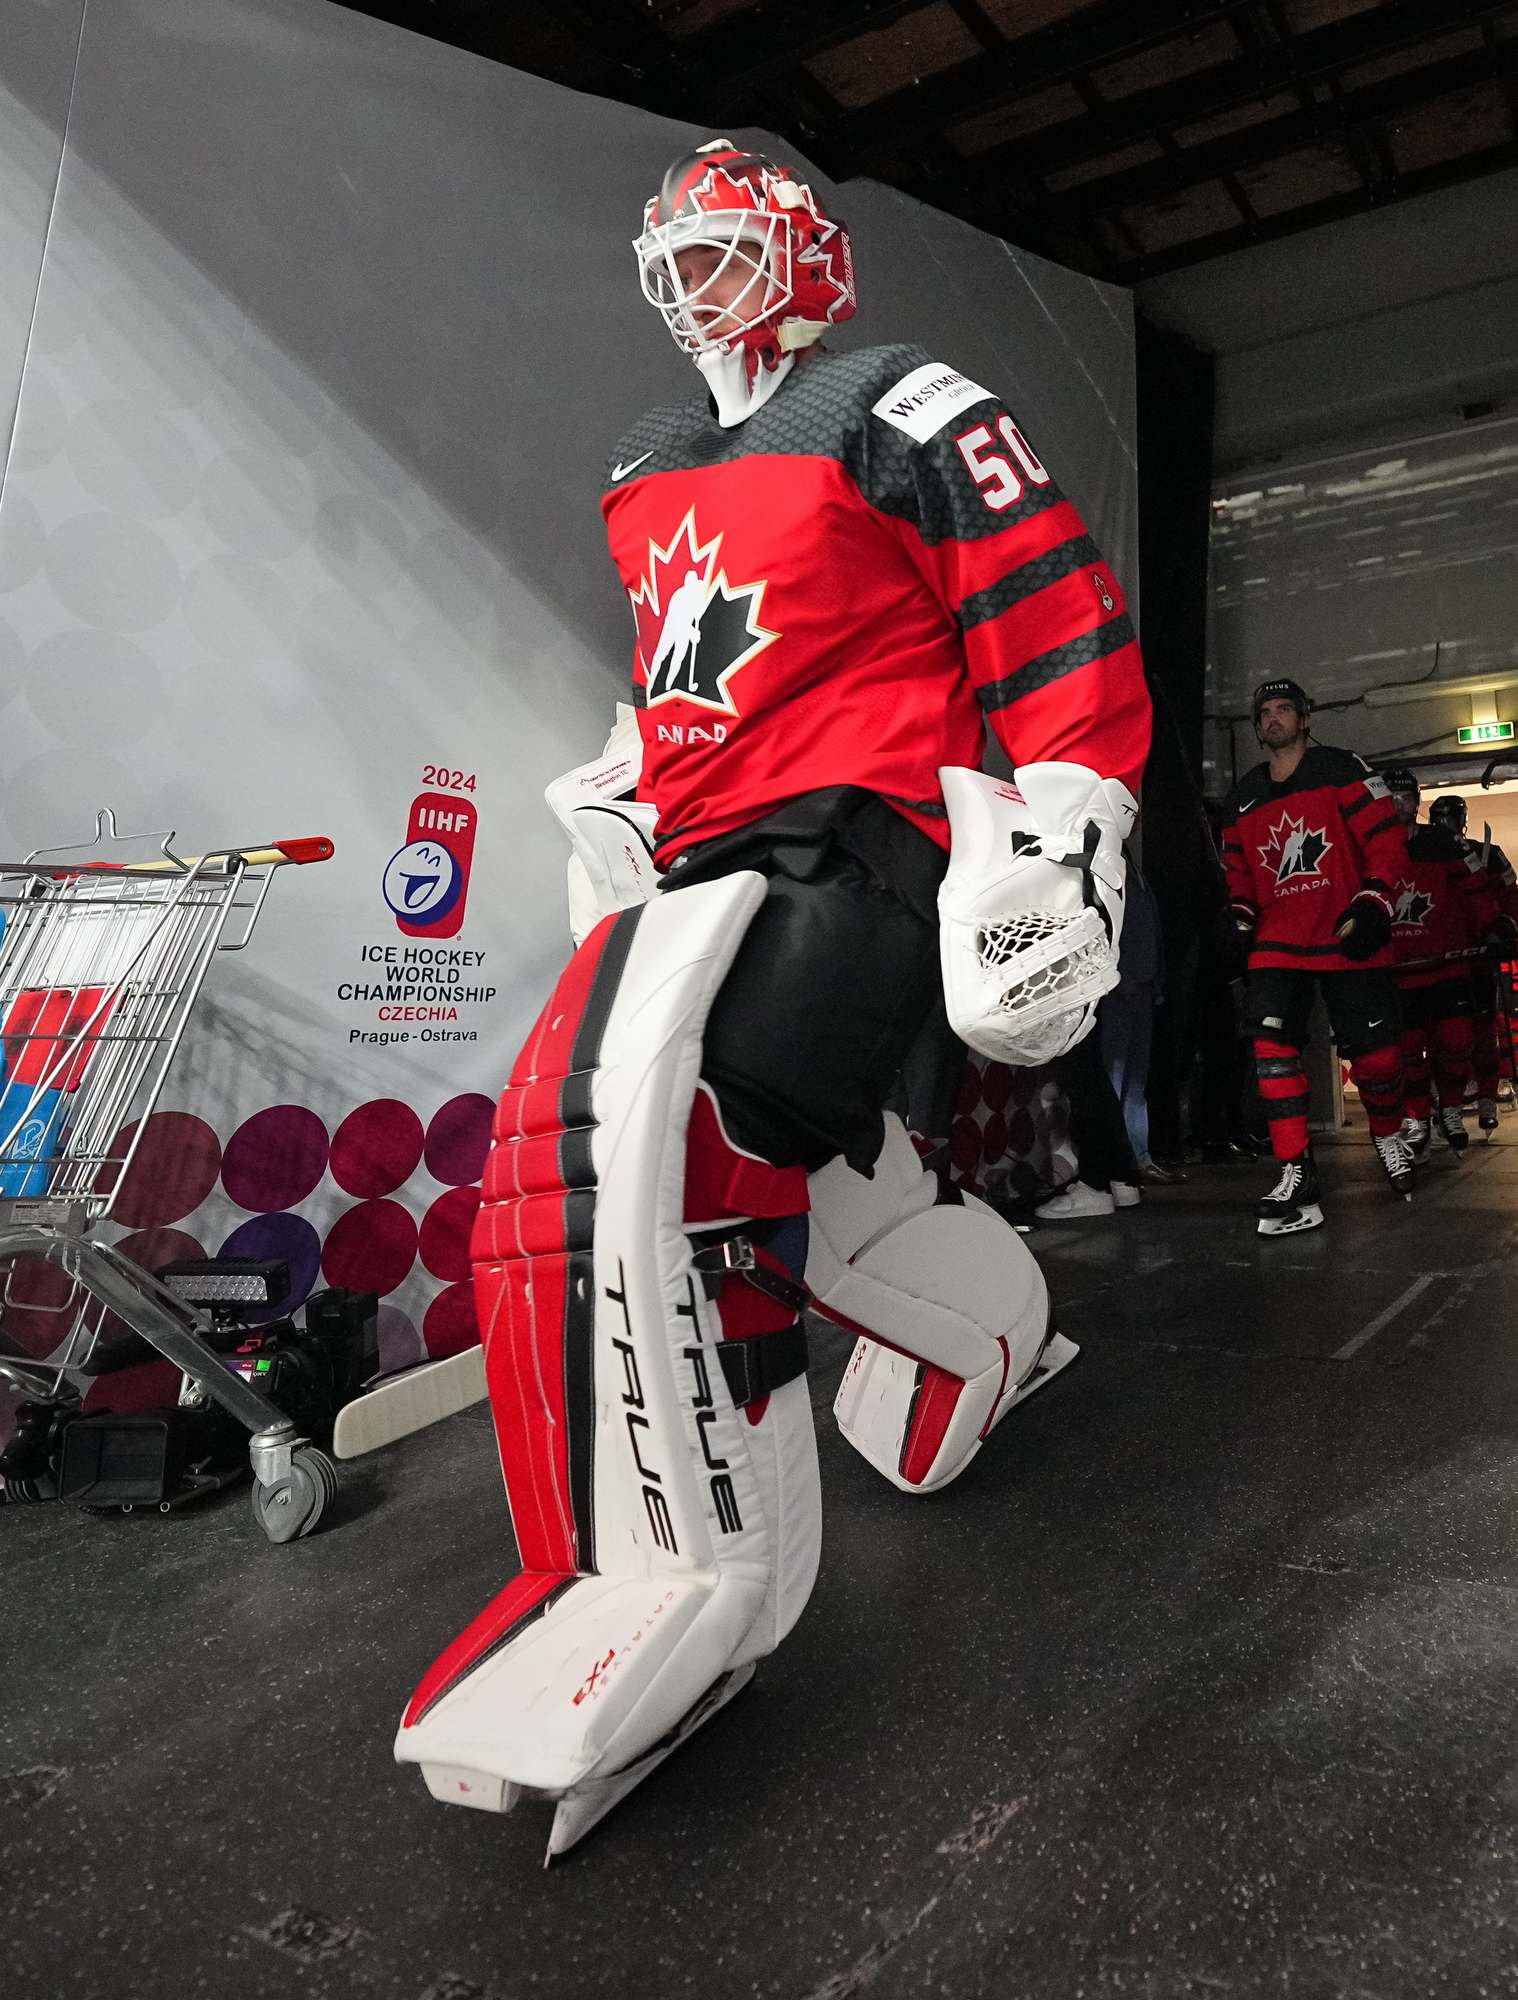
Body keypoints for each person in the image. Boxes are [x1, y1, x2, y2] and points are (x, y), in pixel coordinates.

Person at [397, 140, 1152, 1852]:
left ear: (809, 255)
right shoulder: (641, 462)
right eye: (674, 259)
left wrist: (1071, 813)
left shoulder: (892, 401)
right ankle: (980, 1334)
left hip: (861, 834)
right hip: (704, 856)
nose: (695, 286)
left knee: (671, 1157)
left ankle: (699, 1584)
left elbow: (1046, 603)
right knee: (644, 1151)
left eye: (728, 250)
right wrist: (625, 786)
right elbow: (688, 671)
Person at [1220, 678, 1412, 1235]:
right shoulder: (1243, 796)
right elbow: (1238, 873)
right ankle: (1295, 1171)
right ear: (1258, 727)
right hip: (1278, 944)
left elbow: (1385, 840)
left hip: (1344, 930)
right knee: (1271, 1053)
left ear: (1304, 719)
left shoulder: (1342, 768)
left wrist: (1373, 902)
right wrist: (1238, 916)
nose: (1274, 719)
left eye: (1285, 709)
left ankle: (1388, 1133)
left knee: (1377, 1059)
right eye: (1265, 712)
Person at [1384, 771, 1495, 1158]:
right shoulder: (1370, 845)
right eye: (1390, 798)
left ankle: (1450, 1108)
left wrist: (1494, 926)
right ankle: (1417, 1118)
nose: (1398, 806)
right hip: (1399, 973)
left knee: (1456, 1042)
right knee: (1407, 1051)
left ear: (1417, 802)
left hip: (1447, 969)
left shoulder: (1444, 843)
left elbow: (1476, 889)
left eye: (1404, 798)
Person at [1428, 793, 1518, 1134]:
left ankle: (1487, 1098)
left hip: (1480, 956)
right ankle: (1445, 1100)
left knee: (1483, 1033)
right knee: (1443, 1036)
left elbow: (1510, 895)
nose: (1448, 826)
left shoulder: (1488, 854)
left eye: (1453, 819)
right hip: (1441, 960)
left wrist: (1506, 926)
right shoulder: (1424, 854)